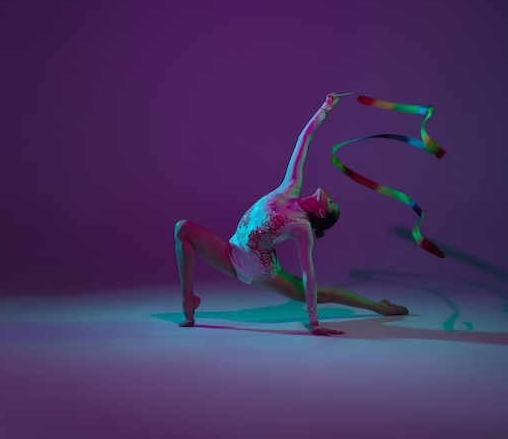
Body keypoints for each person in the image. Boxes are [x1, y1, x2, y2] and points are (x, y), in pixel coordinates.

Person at [174, 93, 408, 336]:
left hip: (260, 272)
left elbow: (310, 277)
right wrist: (326, 106)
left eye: (332, 203)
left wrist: (314, 323)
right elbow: (304, 139)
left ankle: (382, 309)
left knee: (324, 294)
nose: (330, 195)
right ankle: (188, 301)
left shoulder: (301, 227)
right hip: (231, 252)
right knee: (183, 228)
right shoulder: (290, 186)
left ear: (320, 212)